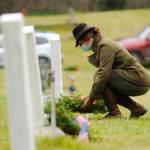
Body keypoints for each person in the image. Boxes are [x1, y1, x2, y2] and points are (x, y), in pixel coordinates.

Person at [72, 23, 150, 119]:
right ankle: (135, 108)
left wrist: (90, 100)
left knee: (101, 78)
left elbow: (103, 74)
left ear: (88, 38)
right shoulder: (101, 45)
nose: (81, 47)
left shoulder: (105, 46)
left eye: (80, 43)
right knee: (102, 82)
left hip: (138, 80)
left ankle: (114, 113)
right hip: (135, 79)